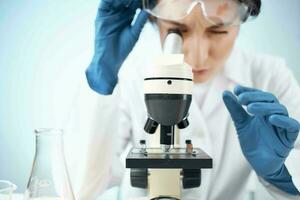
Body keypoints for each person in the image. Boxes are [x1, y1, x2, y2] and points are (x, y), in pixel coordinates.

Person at [83, 0, 300, 199]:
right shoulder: (130, 76)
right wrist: (100, 84)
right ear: (153, 19)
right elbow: (81, 188)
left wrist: (279, 177)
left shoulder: (271, 76)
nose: (198, 57)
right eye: (177, 31)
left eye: (219, 29)